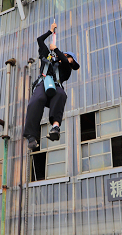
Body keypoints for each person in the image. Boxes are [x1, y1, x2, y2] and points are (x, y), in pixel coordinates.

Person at [23, 21, 80, 151]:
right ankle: (31, 136)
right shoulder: (47, 56)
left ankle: (55, 126)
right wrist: (50, 31)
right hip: (43, 83)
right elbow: (40, 40)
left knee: (61, 94)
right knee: (37, 100)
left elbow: (65, 61)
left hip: (55, 87)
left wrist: (56, 49)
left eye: (71, 63)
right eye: (70, 59)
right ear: (66, 55)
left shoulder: (66, 70)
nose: (70, 63)